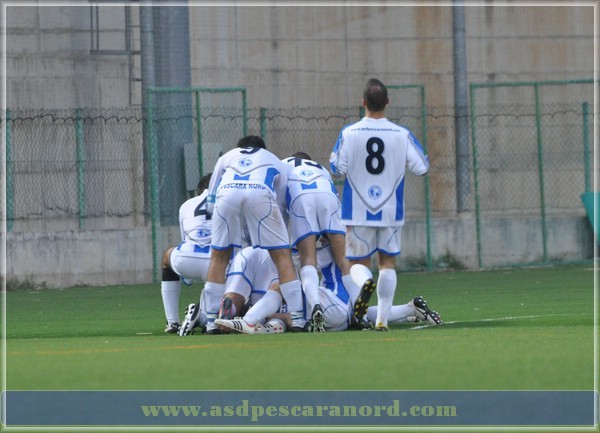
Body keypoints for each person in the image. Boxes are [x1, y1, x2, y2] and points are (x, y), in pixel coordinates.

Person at [329, 78, 430, 331]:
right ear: (388, 102)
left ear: (363, 103)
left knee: (356, 265)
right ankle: (382, 319)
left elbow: (336, 168)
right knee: (388, 263)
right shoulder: (401, 134)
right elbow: (422, 168)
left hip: (358, 210)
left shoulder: (349, 133)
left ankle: (365, 283)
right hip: (390, 210)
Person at [216, 239, 441, 334]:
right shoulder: (331, 235)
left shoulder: (305, 238)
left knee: (281, 286)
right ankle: (411, 309)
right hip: (340, 308)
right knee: (293, 313)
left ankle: (249, 321)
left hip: (330, 302)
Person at [203, 135, 307, 333]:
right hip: (260, 193)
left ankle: (210, 321)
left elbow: (210, 199)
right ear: (262, 148)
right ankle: (298, 319)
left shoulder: (226, 157)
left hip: (226, 194)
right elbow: (281, 202)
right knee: (282, 257)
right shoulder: (274, 159)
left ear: (240, 148)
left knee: (218, 257)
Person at [282, 152, 360, 332]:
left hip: (301, 199)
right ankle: (359, 312)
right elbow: (332, 195)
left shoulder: (282, 166)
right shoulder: (321, 169)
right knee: (343, 259)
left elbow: (280, 207)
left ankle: (315, 303)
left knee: (308, 259)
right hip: (328, 197)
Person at [160, 173, 213, 334]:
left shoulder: (187, 205)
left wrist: (187, 275)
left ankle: (172, 322)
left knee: (167, 257)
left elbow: (185, 239)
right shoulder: (229, 201)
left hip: (187, 259)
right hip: (219, 263)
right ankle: (207, 319)